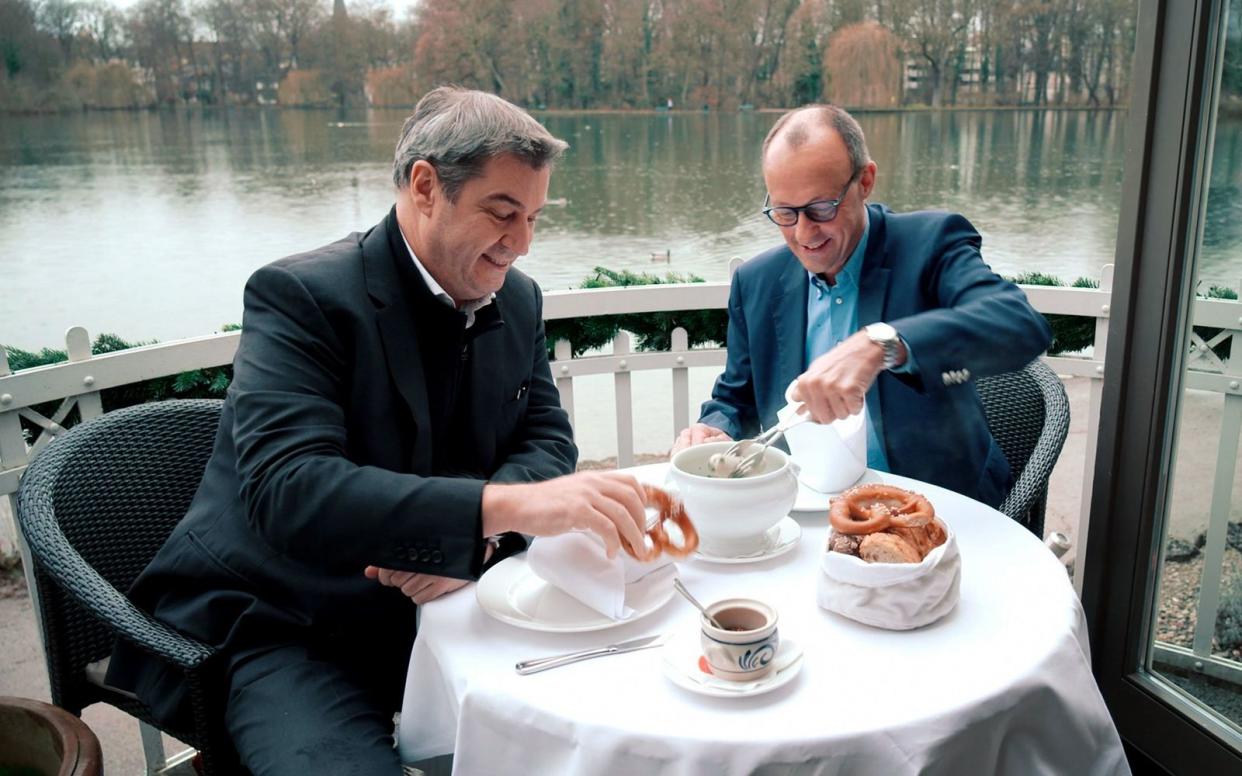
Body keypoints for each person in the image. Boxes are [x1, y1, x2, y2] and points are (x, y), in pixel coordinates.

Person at [106, 87, 651, 775]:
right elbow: (291, 489)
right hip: (289, 619)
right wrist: (501, 510)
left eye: (535, 217)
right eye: (502, 213)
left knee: (611, 722)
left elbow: (545, 437)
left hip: (457, 602)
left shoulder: (518, 296)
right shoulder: (301, 297)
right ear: (426, 186)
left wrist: (475, 540)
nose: (521, 243)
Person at [674, 105, 1052, 507]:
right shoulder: (756, 282)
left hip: (937, 507)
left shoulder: (931, 242)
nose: (803, 233)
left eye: (822, 209)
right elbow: (736, 397)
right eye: (784, 213)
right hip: (807, 506)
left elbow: (1021, 326)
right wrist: (715, 428)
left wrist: (884, 343)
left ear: (865, 181)